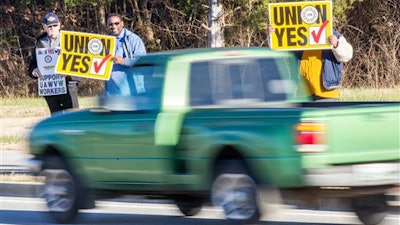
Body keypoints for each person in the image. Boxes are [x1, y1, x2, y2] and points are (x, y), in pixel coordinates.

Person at [268, 25, 353, 101]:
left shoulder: (332, 34)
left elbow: (347, 55)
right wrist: (273, 35)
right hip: (302, 94)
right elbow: (277, 51)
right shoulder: (295, 33)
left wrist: (336, 44)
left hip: (326, 94)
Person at [28, 12, 79, 115]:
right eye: (49, 26)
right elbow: (32, 65)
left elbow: (79, 61)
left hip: (68, 84)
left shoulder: (69, 39)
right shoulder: (39, 42)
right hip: (49, 86)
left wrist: (66, 65)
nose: (52, 29)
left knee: (73, 117)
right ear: (44, 27)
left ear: (59, 25)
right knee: (56, 118)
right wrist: (34, 71)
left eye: (55, 26)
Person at [105, 13, 147, 95]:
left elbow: (142, 60)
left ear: (122, 23)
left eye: (116, 23)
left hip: (130, 90)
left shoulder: (133, 39)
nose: (113, 26)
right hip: (111, 91)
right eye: (110, 24)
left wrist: (124, 61)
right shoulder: (106, 41)